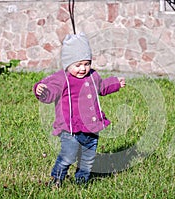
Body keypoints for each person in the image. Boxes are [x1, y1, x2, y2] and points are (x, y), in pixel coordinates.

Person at [33, 33, 126, 188]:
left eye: (86, 63)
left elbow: (102, 87)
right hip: (71, 128)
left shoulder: (93, 75)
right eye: (78, 65)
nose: (83, 68)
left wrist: (115, 83)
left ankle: (81, 182)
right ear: (67, 64)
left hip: (91, 127)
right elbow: (49, 91)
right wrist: (41, 90)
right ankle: (57, 179)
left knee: (88, 159)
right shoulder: (62, 78)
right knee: (68, 156)